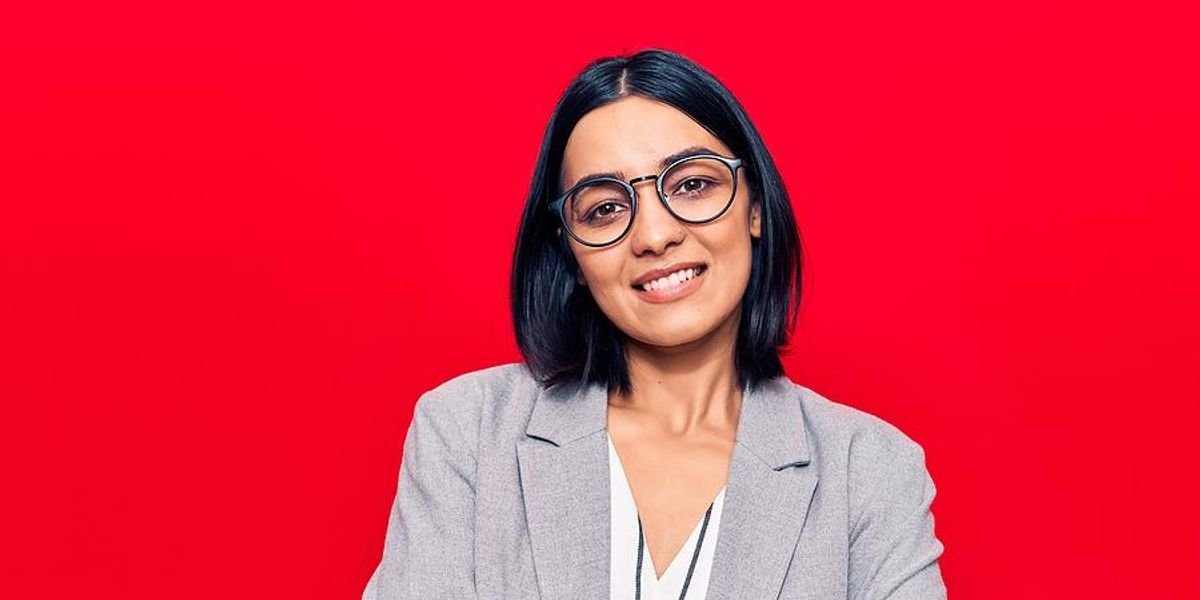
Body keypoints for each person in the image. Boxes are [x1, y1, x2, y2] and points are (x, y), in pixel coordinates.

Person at [362, 48, 947, 599]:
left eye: (692, 184)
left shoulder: (870, 470)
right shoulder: (468, 433)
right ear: (571, 252)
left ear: (755, 207)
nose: (654, 235)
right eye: (605, 208)